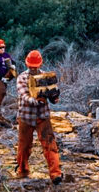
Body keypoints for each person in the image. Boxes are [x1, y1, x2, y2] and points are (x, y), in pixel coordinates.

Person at [15, 50, 63, 184]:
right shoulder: (22, 78)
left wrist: (54, 98)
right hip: (26, 116)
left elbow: (52, 93)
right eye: (30, 66)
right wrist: (35, 100)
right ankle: (23, 171)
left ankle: (55, 175)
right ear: (26, 64)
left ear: (40, 65)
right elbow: (24, 95)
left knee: (50, 144)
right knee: (24, 146)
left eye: (35, 66)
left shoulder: (45, 77)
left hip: (42, 116)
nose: (32, 68)